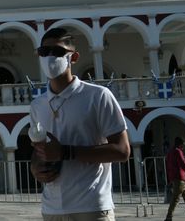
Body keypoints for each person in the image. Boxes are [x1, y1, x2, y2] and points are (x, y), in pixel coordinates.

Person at [29, 28, 130, 220]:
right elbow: (39, 150)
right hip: (52, 209)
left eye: (57, 52)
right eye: (44, 52)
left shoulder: (98, 96)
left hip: (91, 206)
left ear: (73, 57)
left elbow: (122, 150)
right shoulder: (37, 105)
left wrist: (66, 152)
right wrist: (35, 168)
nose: (49, 57)